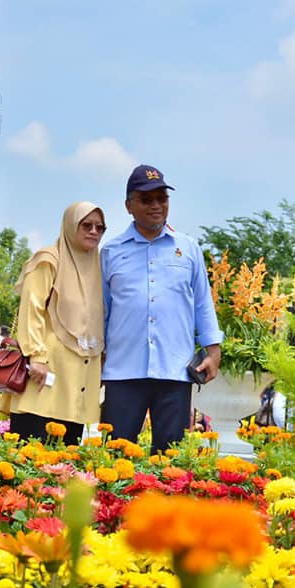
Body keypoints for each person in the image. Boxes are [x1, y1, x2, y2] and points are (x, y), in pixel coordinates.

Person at [101, 164, 223, 451]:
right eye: (146, 199)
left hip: (174, 370)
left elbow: (203, 302)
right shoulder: (111, 252)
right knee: (114, 458)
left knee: (170, 462)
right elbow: (102, 311)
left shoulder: (189, 248)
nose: (156, 206)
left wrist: (214, 352)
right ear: (129, 206)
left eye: (162, 198)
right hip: (123, 371)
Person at [8, 201, 106, 446]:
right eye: (86, 225)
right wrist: (36, 357)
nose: (94, 231)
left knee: (64, 460)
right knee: (31, 453)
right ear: (71, 225)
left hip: (78, 378)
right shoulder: (48, 260)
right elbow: (31, 308)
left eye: (100, 228)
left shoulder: (98, 268)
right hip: (46, 372)